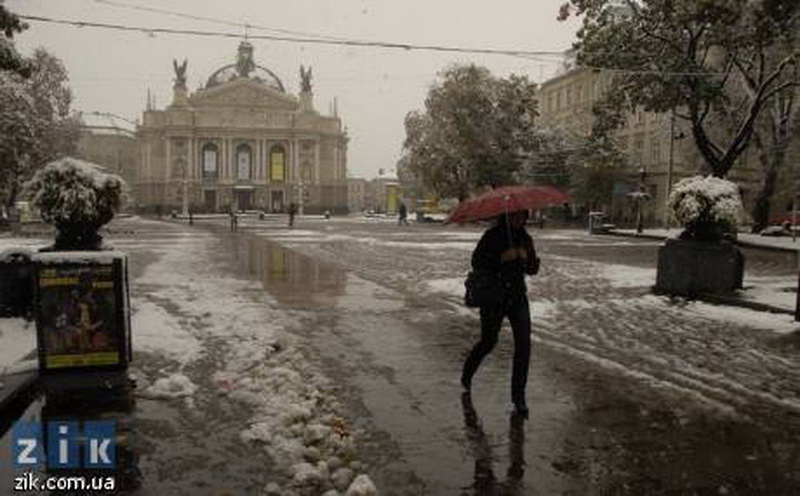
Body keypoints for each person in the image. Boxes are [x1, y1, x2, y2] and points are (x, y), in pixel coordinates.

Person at [461, 209, 540, 418]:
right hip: (494, 297)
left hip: (517, 297)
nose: (518, 220)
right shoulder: (492, 236)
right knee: (488, 341)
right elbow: (477, 261)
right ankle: (467, 374)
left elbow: (533, 268)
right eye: (513, 216)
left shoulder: (525, 238)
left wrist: (527, 258)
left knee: (524, 345)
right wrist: (501, 257)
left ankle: (519, 398)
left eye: (521, 216)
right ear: (506, 217)